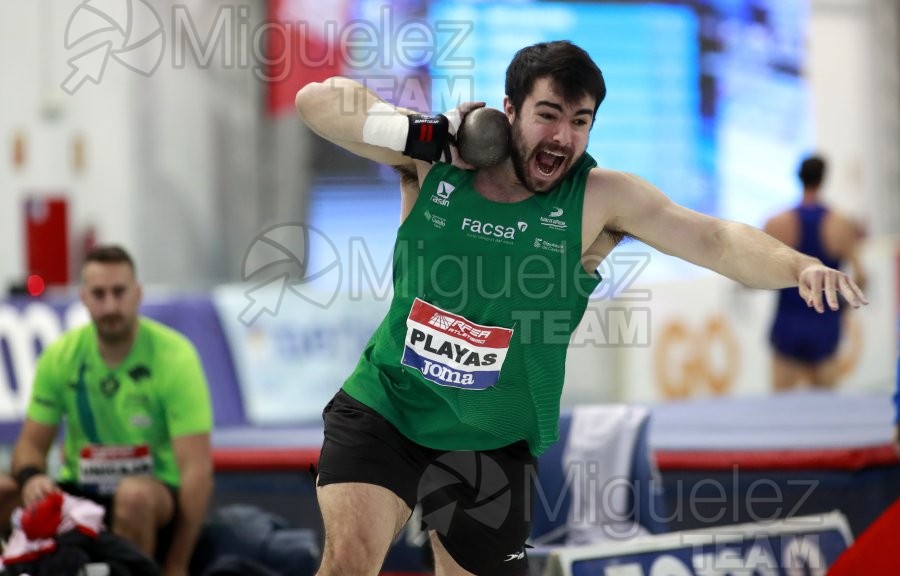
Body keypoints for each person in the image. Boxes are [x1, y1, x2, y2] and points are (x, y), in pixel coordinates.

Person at [294, 41, 867, 576]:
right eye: (548, 114)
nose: (563, 137)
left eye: (580, 121)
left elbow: (715, 239)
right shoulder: (434, 160)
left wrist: (799, 267)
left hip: (494, 438)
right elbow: (316, 103)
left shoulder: (600, 199)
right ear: (509, 110)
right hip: (388, 404)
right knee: (348, 560)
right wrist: (428, 130)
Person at [5, 245, 214, 576]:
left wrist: (178, 563)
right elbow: (30, 446)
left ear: (138, 294)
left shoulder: (176, 357)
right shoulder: (61, 356)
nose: (110, 306)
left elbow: (196, 471)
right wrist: (33, 478)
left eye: (119, 292)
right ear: (84, 298)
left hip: (154, 494)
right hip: (81, 493)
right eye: (99, 294)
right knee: (5, 491)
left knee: (133, 497)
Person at [763, 155, 867, 391]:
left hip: (788, 320)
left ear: (798, 178)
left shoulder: (776, 223)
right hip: (824, 322)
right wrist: (842, 307)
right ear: (824, 179)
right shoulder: (841, 223)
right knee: (826, 410)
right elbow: (861, 276)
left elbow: (757, 274)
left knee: (780, 410)